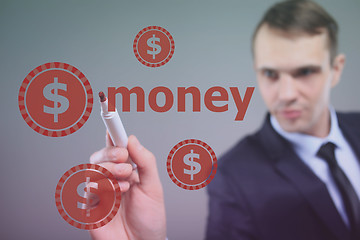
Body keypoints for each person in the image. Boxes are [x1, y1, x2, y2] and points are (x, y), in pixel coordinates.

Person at [89, 0, 360, 239]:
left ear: (335, 70)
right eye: (270, 74)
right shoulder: (234, 178)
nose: (286, 94)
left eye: (304, 72)